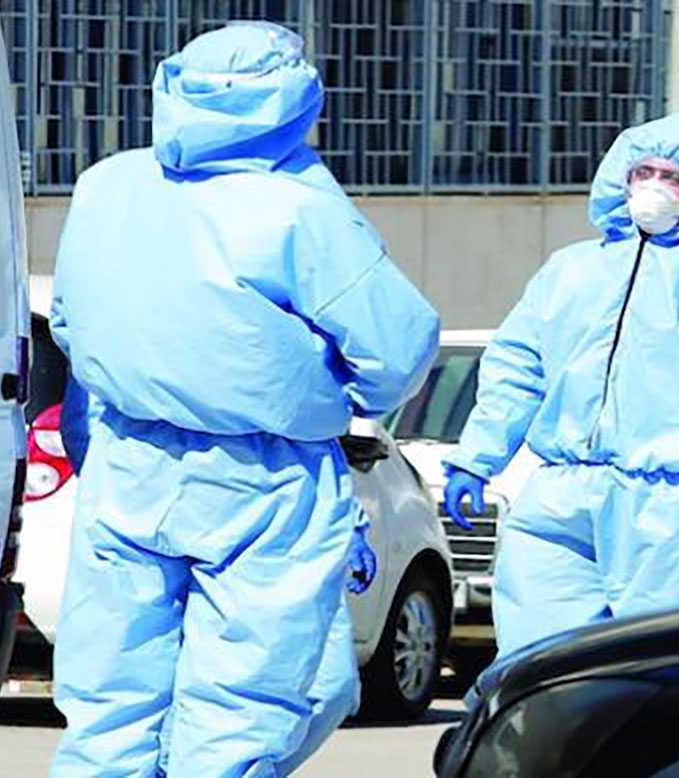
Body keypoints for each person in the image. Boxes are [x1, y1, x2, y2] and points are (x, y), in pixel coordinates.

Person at [47, 21, 439, 778]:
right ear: (293, 99)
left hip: (128, 463)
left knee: (108, 701)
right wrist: (336, 393)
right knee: (243, 705)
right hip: (261, 476)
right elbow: (396, 350)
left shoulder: (106, 186)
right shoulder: (296, 207)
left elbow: (70, 320)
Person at [442, 107, 679, 661]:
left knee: (669, 664)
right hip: (560, 495)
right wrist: (477, 457)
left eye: (674, 178)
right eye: (644, 172)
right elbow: (517, 368)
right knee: (538, 659)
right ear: (620, 178)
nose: (654, 188)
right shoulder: (570, 271)